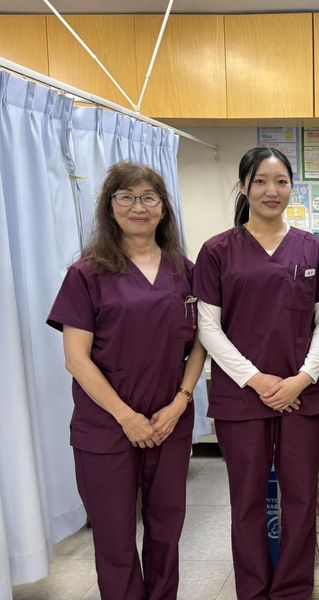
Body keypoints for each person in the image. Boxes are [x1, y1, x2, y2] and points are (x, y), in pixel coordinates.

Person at [47, 162, 206, 600]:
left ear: (163, 209)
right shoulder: (87, 274)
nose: (139, 207)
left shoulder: (184, 270)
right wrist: (126, 417)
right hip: (106, 427)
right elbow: (76, 359)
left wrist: (180, 401)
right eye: (127, 197)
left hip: (170, 421)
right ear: (110, 205)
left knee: (166, 531)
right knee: (115, 538)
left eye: (149, 198)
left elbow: (201, 345)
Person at [193, 147, 319, 600]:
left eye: (281, 181)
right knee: (247, 501)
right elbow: (207, 327)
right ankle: (253, 592)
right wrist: (256, 379)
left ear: (292, 187)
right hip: (242, 397)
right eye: (260, 181)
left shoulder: (313, 248)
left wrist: (302, 379)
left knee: (301, 498)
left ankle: (293, 591)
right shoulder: (217, 251)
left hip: (301, 396)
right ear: (243, 187)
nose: (271, 191)